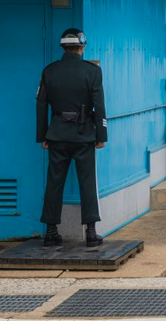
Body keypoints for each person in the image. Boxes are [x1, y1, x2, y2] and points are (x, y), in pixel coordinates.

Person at [37, 28, 107, 248]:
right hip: (84, 134)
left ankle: (50, 232)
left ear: (63, 47)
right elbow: (100, 106)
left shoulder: (49, 71)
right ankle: (91, 233)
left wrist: (43, 136)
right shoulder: (92, 72)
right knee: (87, 183)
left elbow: (41, 106)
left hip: (56, 133)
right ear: (82, 46)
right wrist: (100, 135)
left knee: (54, 183)